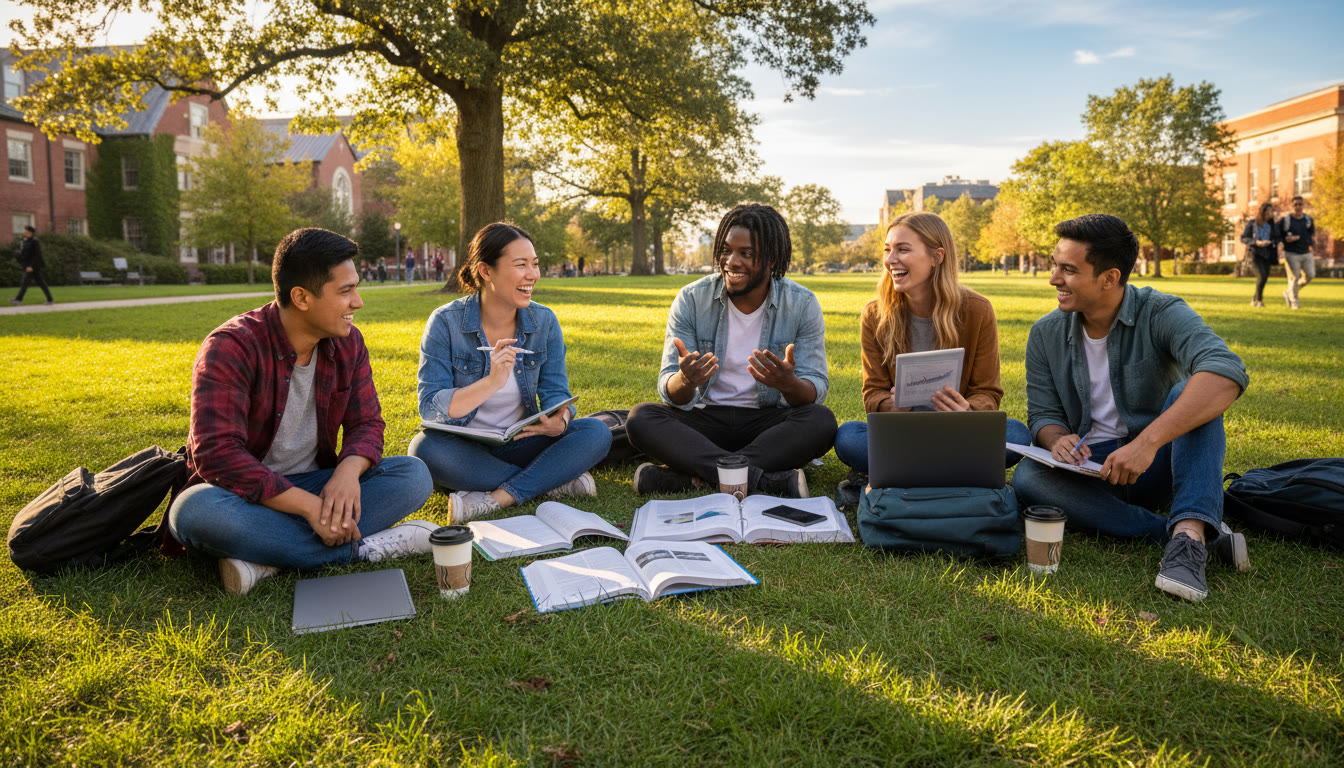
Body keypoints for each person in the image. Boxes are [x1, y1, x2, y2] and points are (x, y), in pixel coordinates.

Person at [168, 228, 435, 595]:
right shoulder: (230, 347)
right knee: (194, 511)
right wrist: (309, 508)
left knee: (414, 474)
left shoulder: (348, 342)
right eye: (345, 291)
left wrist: (347, 472)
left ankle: (265, 559)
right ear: (302, 297)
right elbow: (217, 454)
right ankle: (364, 549)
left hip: (318, 483)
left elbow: (367, 422)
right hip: (241, 495)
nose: (358, 302)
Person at [1012, 214, 1251, 603]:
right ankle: (1178, 533)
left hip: (1158, 463)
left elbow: (1225, 371)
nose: (1054, 278)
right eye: (1055, 265)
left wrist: (1147, 443)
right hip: (1093, 467)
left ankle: (1189, 536)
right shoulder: (1045, 332)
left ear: (1109, 278)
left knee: (1192, 392)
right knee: (1029, 479)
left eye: (1068, 270)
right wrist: (1057, 439)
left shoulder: (1160, 312)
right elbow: (1043, 414)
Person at [626, 203, 836, 498]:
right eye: (726, 250)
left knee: (821, 421)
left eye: (746, 253)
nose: (731, 261)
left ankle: (689, 479)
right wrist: (685, 381)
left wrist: (788, 384)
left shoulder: (801, 304)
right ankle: (765, 481)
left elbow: (815, 389)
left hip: (766, 423)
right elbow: (670, 389)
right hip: (705, 418)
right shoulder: (691, 299)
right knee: (641, 419)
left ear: (772, 258)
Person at [409, 223, 612, 522]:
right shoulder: (445, 323)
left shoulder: (543, 321)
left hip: (520, 442)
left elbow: (556, 392)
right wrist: (491, 382)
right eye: (521, 265)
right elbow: (430, 408)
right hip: (463, 450)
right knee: (424, 449)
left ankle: (497, 497)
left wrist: (561, 419)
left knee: (596, 431)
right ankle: (553, 481)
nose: (532, 274)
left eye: (535, 264)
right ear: (486, 271)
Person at [832, 212, 1030, 504]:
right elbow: (872, 393)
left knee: (1016, 435)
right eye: (887, 250)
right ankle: (951, 475)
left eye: (902, 249)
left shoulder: (977, 310)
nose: (890, 260)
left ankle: (900, 475)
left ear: (937, 256)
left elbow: (988, 392)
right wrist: (892, 406)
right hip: (903, 434)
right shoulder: (875, 315)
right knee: (848, 437)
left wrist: (967, 411)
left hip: (956, 433)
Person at [1279, 195, 1315, 309]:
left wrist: (1311, 246)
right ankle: (1294, 302)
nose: (1298, 207)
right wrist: (1285, 240)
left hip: (1305, 252)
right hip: (1291, 253)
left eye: (1300, 204)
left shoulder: (1308, 220)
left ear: (1303, 206)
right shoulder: (1286, 221)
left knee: (1310, 275)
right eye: (1295, 205)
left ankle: (1290, 292)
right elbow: (1279, 235)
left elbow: (1311, 235)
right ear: (1292, 206)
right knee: (1295, 277)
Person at [1241, 202, 1279, 308]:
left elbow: (1276, 238)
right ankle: (1259, 301)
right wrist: (1256, 242)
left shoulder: (1272, 226)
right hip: (1254, 254)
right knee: (1261, 276)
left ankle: (1254, 300)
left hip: (1267, 255)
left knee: (1264, 278)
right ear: (1264, 212)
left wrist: (1271, 242)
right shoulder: (1252, 224)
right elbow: (1244, 238)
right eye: (1270, 211)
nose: (1271, 213)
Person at [9, 225, 54, 305]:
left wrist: (31, 266)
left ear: (30, 233)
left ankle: (18, 299)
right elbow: (25, 254)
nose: (24, 233)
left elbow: (37, 255)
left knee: (25, 282)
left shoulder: (34, 241)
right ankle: (50, 300)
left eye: (25, 231)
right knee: (41, 283)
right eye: (24, 231)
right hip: (28, 266)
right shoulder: (25, 241)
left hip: (33, 266)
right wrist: (19, 253)